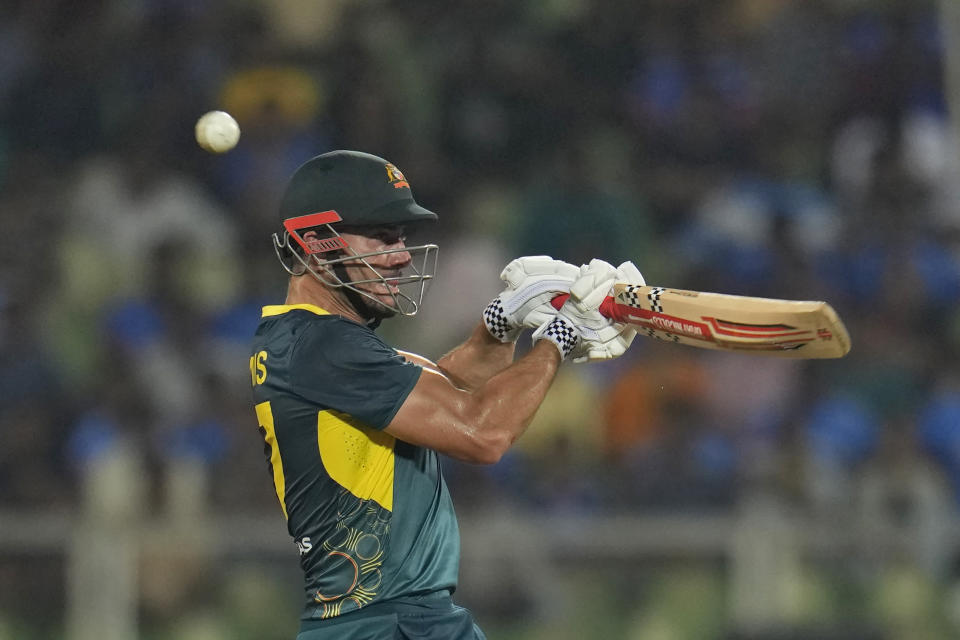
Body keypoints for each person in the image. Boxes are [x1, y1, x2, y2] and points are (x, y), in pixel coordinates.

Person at [249, 150, 643, 639]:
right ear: (313, 243)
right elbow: (482, 433)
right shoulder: (324, 345)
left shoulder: (310, 340)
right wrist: (559, 338)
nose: (400, 256)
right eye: (381, 235)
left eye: (402, 237)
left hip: (379, 622)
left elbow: (447, 386)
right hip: (390, 623)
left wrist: (503, 322)